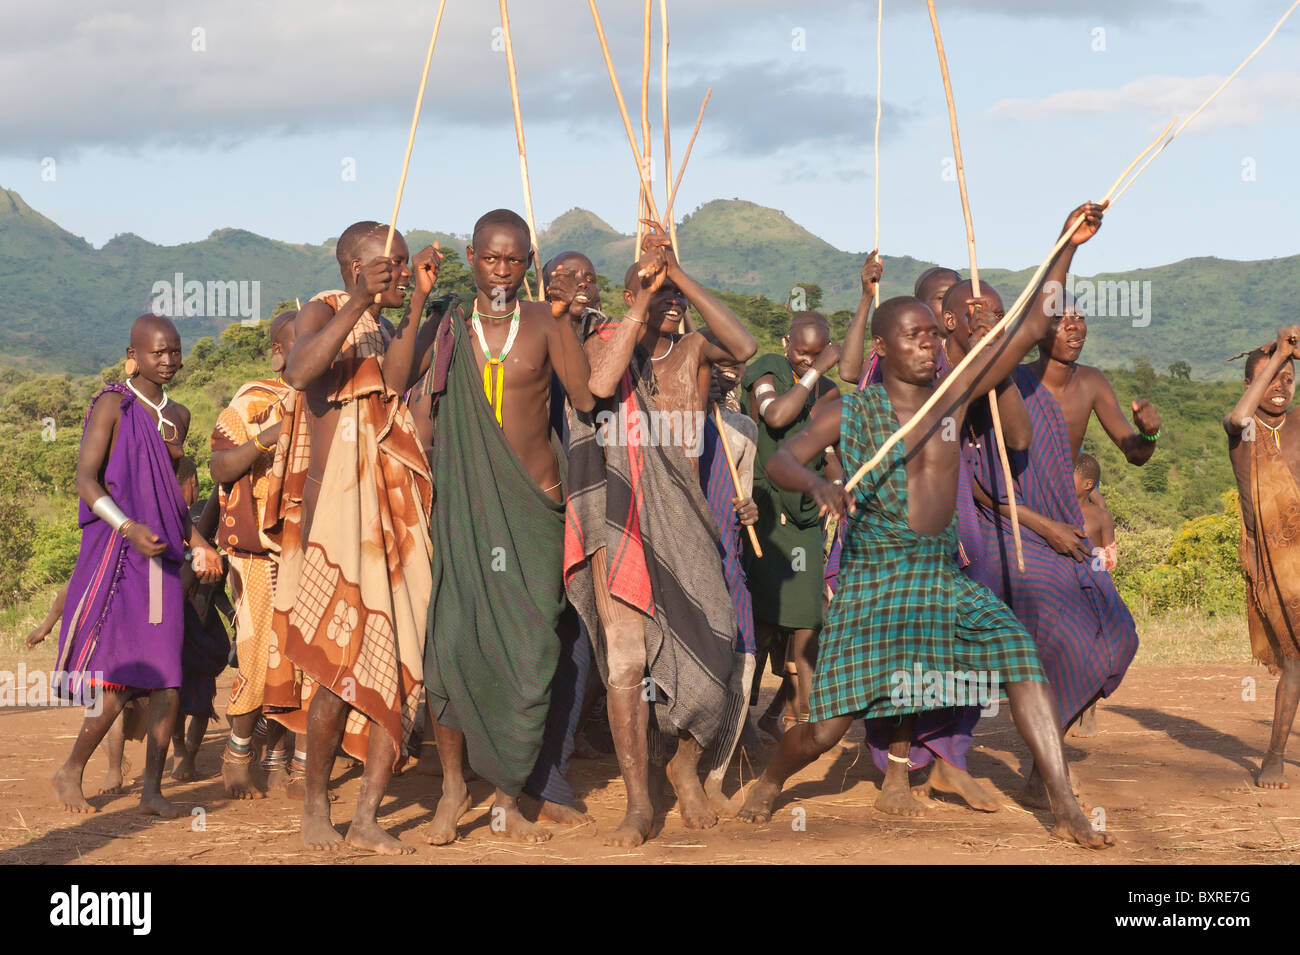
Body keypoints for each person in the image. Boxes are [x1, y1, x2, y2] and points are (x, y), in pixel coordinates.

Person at [739, 208, 1112, 849]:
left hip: (941, 575)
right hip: (875, 582)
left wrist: (1064, 245)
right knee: (827, 729)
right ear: (882, 347)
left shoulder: (953, 399)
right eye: (913, 336)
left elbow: (1028, 328)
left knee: (1021, 657)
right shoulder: (849, 409)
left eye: (931, 336)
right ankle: (771, 780)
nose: (928, 345)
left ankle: (1066, 806)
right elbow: (780, 458)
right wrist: (821, 483)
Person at [564, 220, 757, 846]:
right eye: (657, 298)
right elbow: (596, 387)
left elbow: (746, 345)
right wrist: (644, 301)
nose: (671, 307)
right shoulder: (604, 342)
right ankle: (638, 801)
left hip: (686, 518)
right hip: (622, 522)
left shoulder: (698, 350)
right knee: (625, 664)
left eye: (675, 299)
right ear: (628, 299)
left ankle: (685, 764)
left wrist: (678, 277)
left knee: (716, 643)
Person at [423, 210, 595, 846]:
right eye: (490, 259)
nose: (501, 271)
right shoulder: (445, 325)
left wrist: (579, 324)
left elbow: (583, 398)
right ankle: (450, 788)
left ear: (529, 262)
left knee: (529, 654)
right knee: (450, 648)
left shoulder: (546, 323)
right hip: (462, 506)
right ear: (471, 257)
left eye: (514, 260)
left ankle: (506, 800)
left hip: (532, 509)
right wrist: (415, 300)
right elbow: (394, 382)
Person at [966, 223, 1145, 804]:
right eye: (1061, 321)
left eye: (1081, 320)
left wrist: (1149, 433)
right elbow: (984, 488)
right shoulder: (1008, 380)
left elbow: (1135, 455)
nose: (1073, 329)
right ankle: (1046, 769)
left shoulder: (1092, 383)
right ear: (1040, 332)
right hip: (1012, 525)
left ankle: (1048, 751)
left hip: (1067, 526)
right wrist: (1070, 243)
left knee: (1117, 636)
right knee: (1057, 635)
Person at [273, 221, 437, 853]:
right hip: (334, 521)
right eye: (388, 267)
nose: (398, 274)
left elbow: (394, 384)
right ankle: (316, 805)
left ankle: (368, 813)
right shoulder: (322, 310)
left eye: (403, 266)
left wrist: (415, 298)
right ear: (353, 269)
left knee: (396, 668)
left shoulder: (387, 324)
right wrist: (363, 301)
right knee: (339, 671)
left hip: (392, 522)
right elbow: (301, 370)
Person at [52, 313, 222, 817]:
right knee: (121, 675)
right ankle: (71, 769)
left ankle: (152, 789)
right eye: (157, 352)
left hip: (164, 560)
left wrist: (199, 542)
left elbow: (170, 500)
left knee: (167, 677)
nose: (168, 361)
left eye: (174, 351)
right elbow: (86, 480)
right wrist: (128, 527)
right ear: (134, 353)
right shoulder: (114, 405)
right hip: (120, 554)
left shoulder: (180, 415)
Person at [210, 310, 298, 798]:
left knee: (299, 660)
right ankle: (238, 752)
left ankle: (282, 757)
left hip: (309, 551)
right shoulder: (253, 400)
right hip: (256, 553)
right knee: (258, 655)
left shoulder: (327, 401)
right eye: (301, 340)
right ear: (279, 352)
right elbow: (221, 467)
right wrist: (265, 438)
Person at [742, 313, 841, 732]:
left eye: (818, 355)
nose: (808, 361)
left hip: (805, 512)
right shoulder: (768, 369)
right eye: (802, 353)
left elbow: (831, 450)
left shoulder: (831, 391)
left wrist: (834, 480)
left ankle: (800, 711)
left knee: (806, 615)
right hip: (763, 509)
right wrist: (815, 372)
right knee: (762, 616)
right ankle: (739, 715)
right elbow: (776, 417)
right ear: (786, 343)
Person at [1225, 328, 1300, 788]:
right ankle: (1273, 755)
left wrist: (1290, 353)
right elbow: (1239, 415)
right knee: (1293, 664)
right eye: (1269, 378)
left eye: (1289, 379)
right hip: (1273, 566)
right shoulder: (1243, 431)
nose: (1280, 386)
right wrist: (1278, 353)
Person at [700, 358, 760, 810]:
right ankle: (666, 767)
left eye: (732, 366)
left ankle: (716, 776)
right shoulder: (670, 421)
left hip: (728, 556)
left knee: (744, 660)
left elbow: (746, 493)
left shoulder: (743, 428)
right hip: (680, 560)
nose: (724, 374)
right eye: (714, 364)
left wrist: (750, 511)